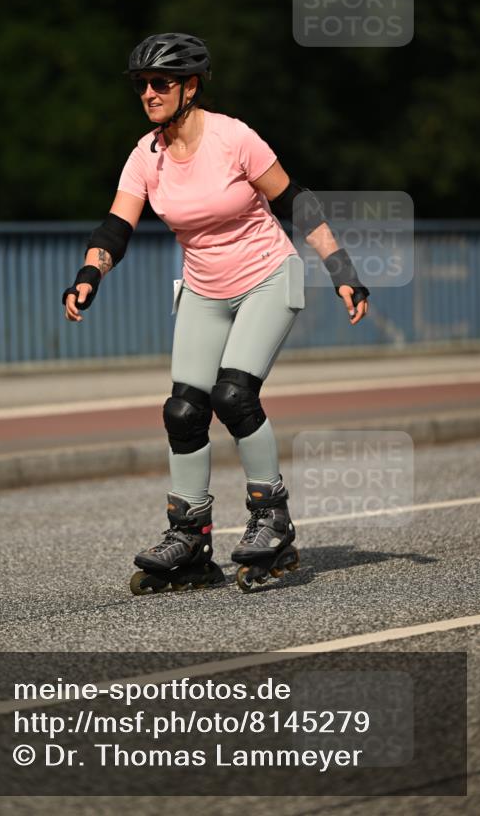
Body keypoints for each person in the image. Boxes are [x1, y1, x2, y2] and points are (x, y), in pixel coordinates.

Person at [62, 32, 369, 594]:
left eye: (160, 83)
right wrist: (89, 276)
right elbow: (115, 228)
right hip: (204, 290)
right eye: (142, 84)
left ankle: (272, 516)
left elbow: (295, 200)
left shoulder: (233, 138)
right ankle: (189, 535)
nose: (149, 93)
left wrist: (341, 269)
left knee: (234, 395)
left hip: (267, 277)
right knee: (183, 410)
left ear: (190, 87)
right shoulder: (146, 155)